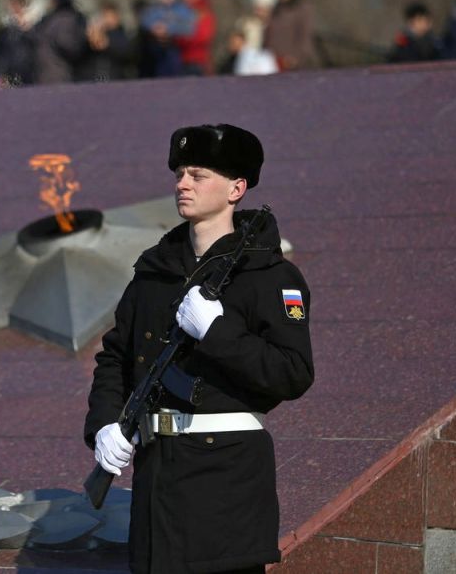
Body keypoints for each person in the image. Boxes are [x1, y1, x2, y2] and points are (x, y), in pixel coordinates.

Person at [85, 124, 315, 573]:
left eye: (197, 174)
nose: (182, 184)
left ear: (237, 188)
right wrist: (105, 426)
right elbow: (114, 357)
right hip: (157, 477)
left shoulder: (270, 276)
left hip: (226, 478)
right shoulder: (154, 270)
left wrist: (218, 331)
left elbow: (293, 372)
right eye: (179, 174)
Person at [138, 0, 195, 78]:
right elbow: (145, 20)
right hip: (154, 49)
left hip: (173, 49)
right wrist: (154, 27)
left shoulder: (182, 9)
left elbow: (189, 27)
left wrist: (168, 29)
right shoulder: (155, 8)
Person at [30, 0, 87, 85]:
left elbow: (67, 44)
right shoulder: (61, 18)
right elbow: (66, 44)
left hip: (51, 73)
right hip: (54, 73)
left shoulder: (58, 19)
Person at [264, 0, 316, 71]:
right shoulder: (276, 7)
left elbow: (305, 35)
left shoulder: (302, 8)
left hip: (292, 63)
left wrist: (296, 57)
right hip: (272, 61)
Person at [79, 0, 134, 82]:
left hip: (115, 80)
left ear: (117, 17)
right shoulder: (96, 32)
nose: (108, 20)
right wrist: (89, 38)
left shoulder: (122, 35)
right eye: (105, 16)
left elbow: (127, 53)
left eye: (111, 16)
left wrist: (107, 43)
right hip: (92, 80)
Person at [0, 0, 35, 87]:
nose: (12, 9)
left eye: (15, 5)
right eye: (11, 6)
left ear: (23, 6)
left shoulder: (35, 27)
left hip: (28, 75)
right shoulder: (3, 29)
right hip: (7, 75)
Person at [174, 0, 216, 76]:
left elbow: (204, 37)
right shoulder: (180, 10)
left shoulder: (204, 11)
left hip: (197, 62)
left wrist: (185, 36)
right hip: (180, 60)